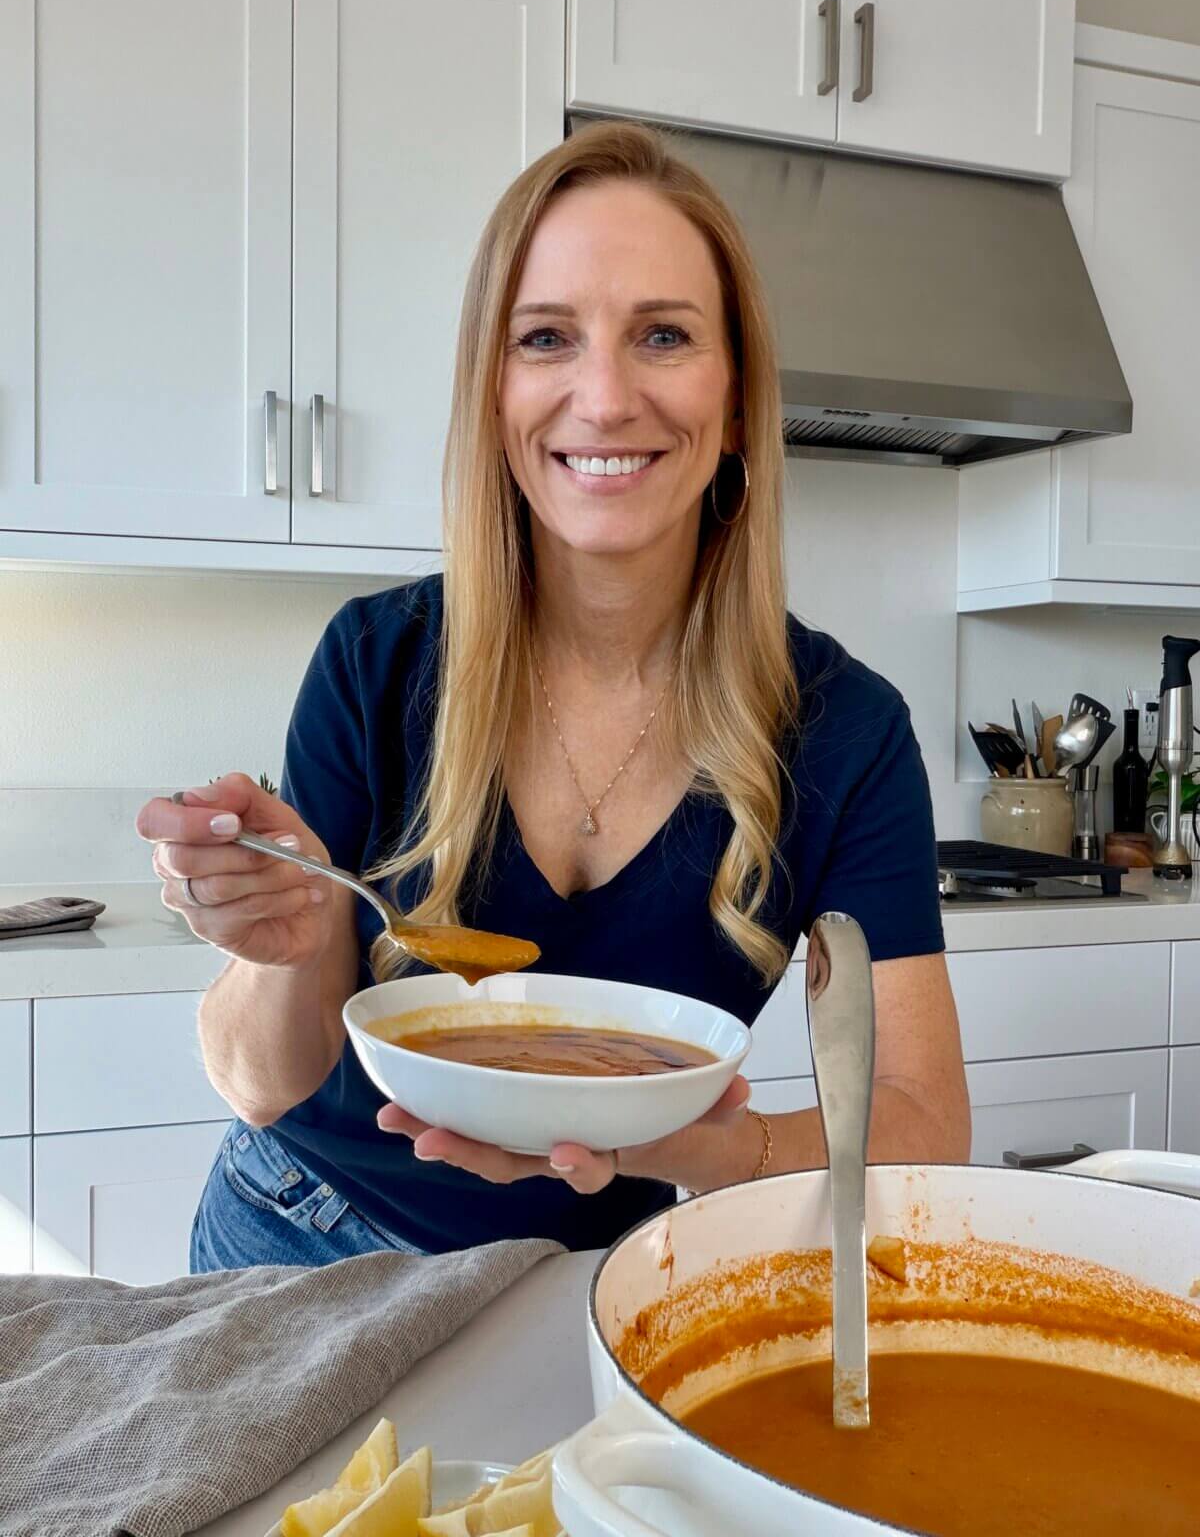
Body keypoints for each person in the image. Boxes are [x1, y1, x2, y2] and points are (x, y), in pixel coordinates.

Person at [136, 121, 970, 1273]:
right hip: (293, 1242)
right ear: (494, 395)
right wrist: (291, 941)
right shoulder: (375, 664)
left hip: (586, 1282)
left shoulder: (850, 734)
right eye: (546, 338)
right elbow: (262, 1080)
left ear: (735, 401)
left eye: (664, 335)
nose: (607, 395)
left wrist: (704, 1148)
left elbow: (925, 1135)